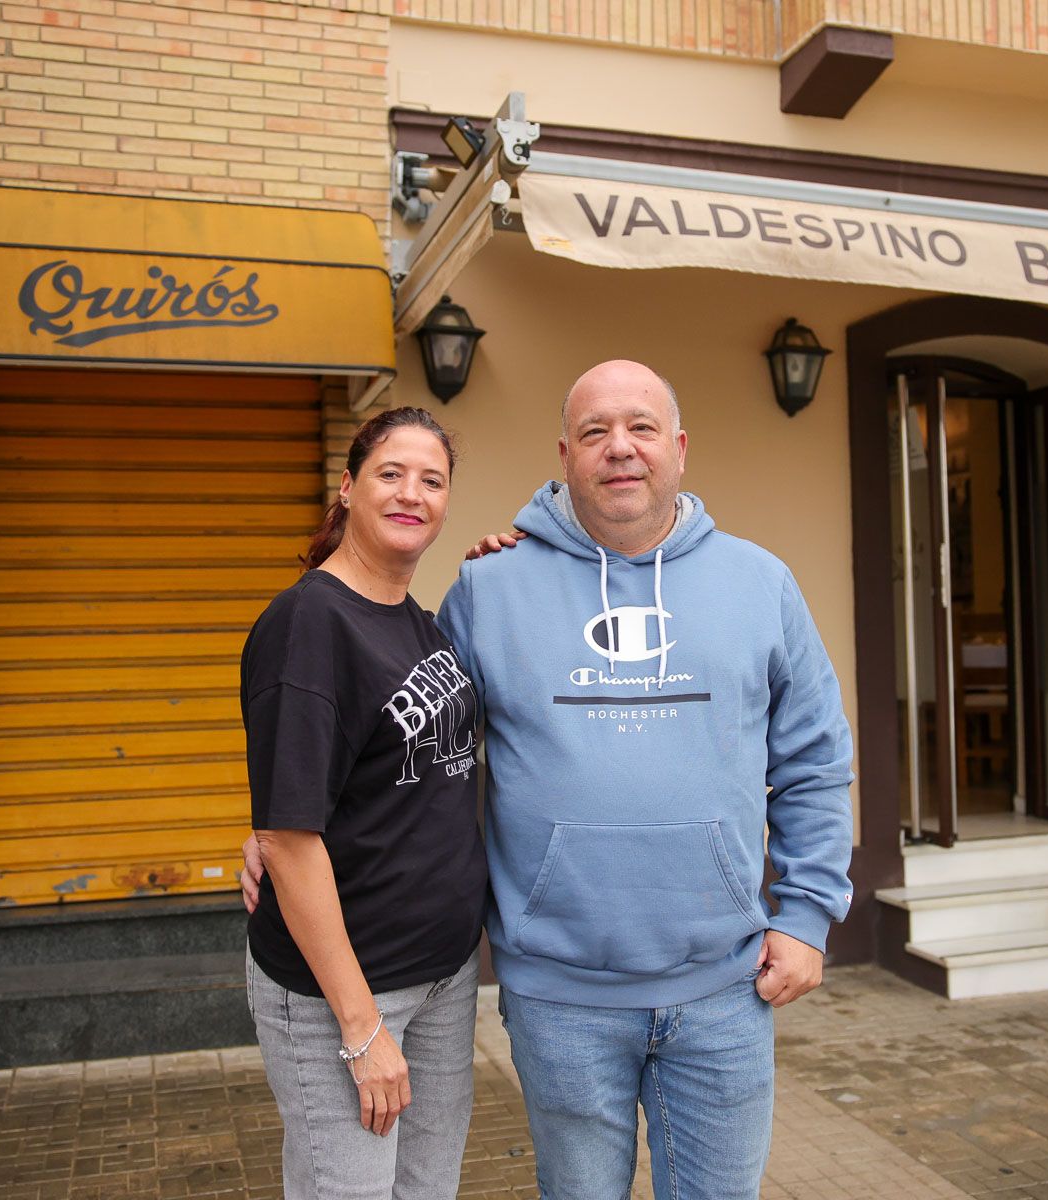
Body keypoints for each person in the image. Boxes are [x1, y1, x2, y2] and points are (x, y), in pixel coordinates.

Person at [246, 361, 854, 1200]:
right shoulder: (489, 591)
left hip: (725, 988)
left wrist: (811, 915)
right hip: (559, 999)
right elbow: (395, 737)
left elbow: (816, 759)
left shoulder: (761, 584)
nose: (621, 449)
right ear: (564, 455)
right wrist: (277, 830)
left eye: (641, 427)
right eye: (596, 432)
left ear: (679, 449)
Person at [240, 406, 487, 1200]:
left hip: (444, 977)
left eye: (432, 479)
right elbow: (289, 834)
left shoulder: (417, 621)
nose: (411, 493)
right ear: (347, 489)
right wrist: (360, 1028)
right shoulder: (310, 623)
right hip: (343, 995)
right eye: (390, 473)